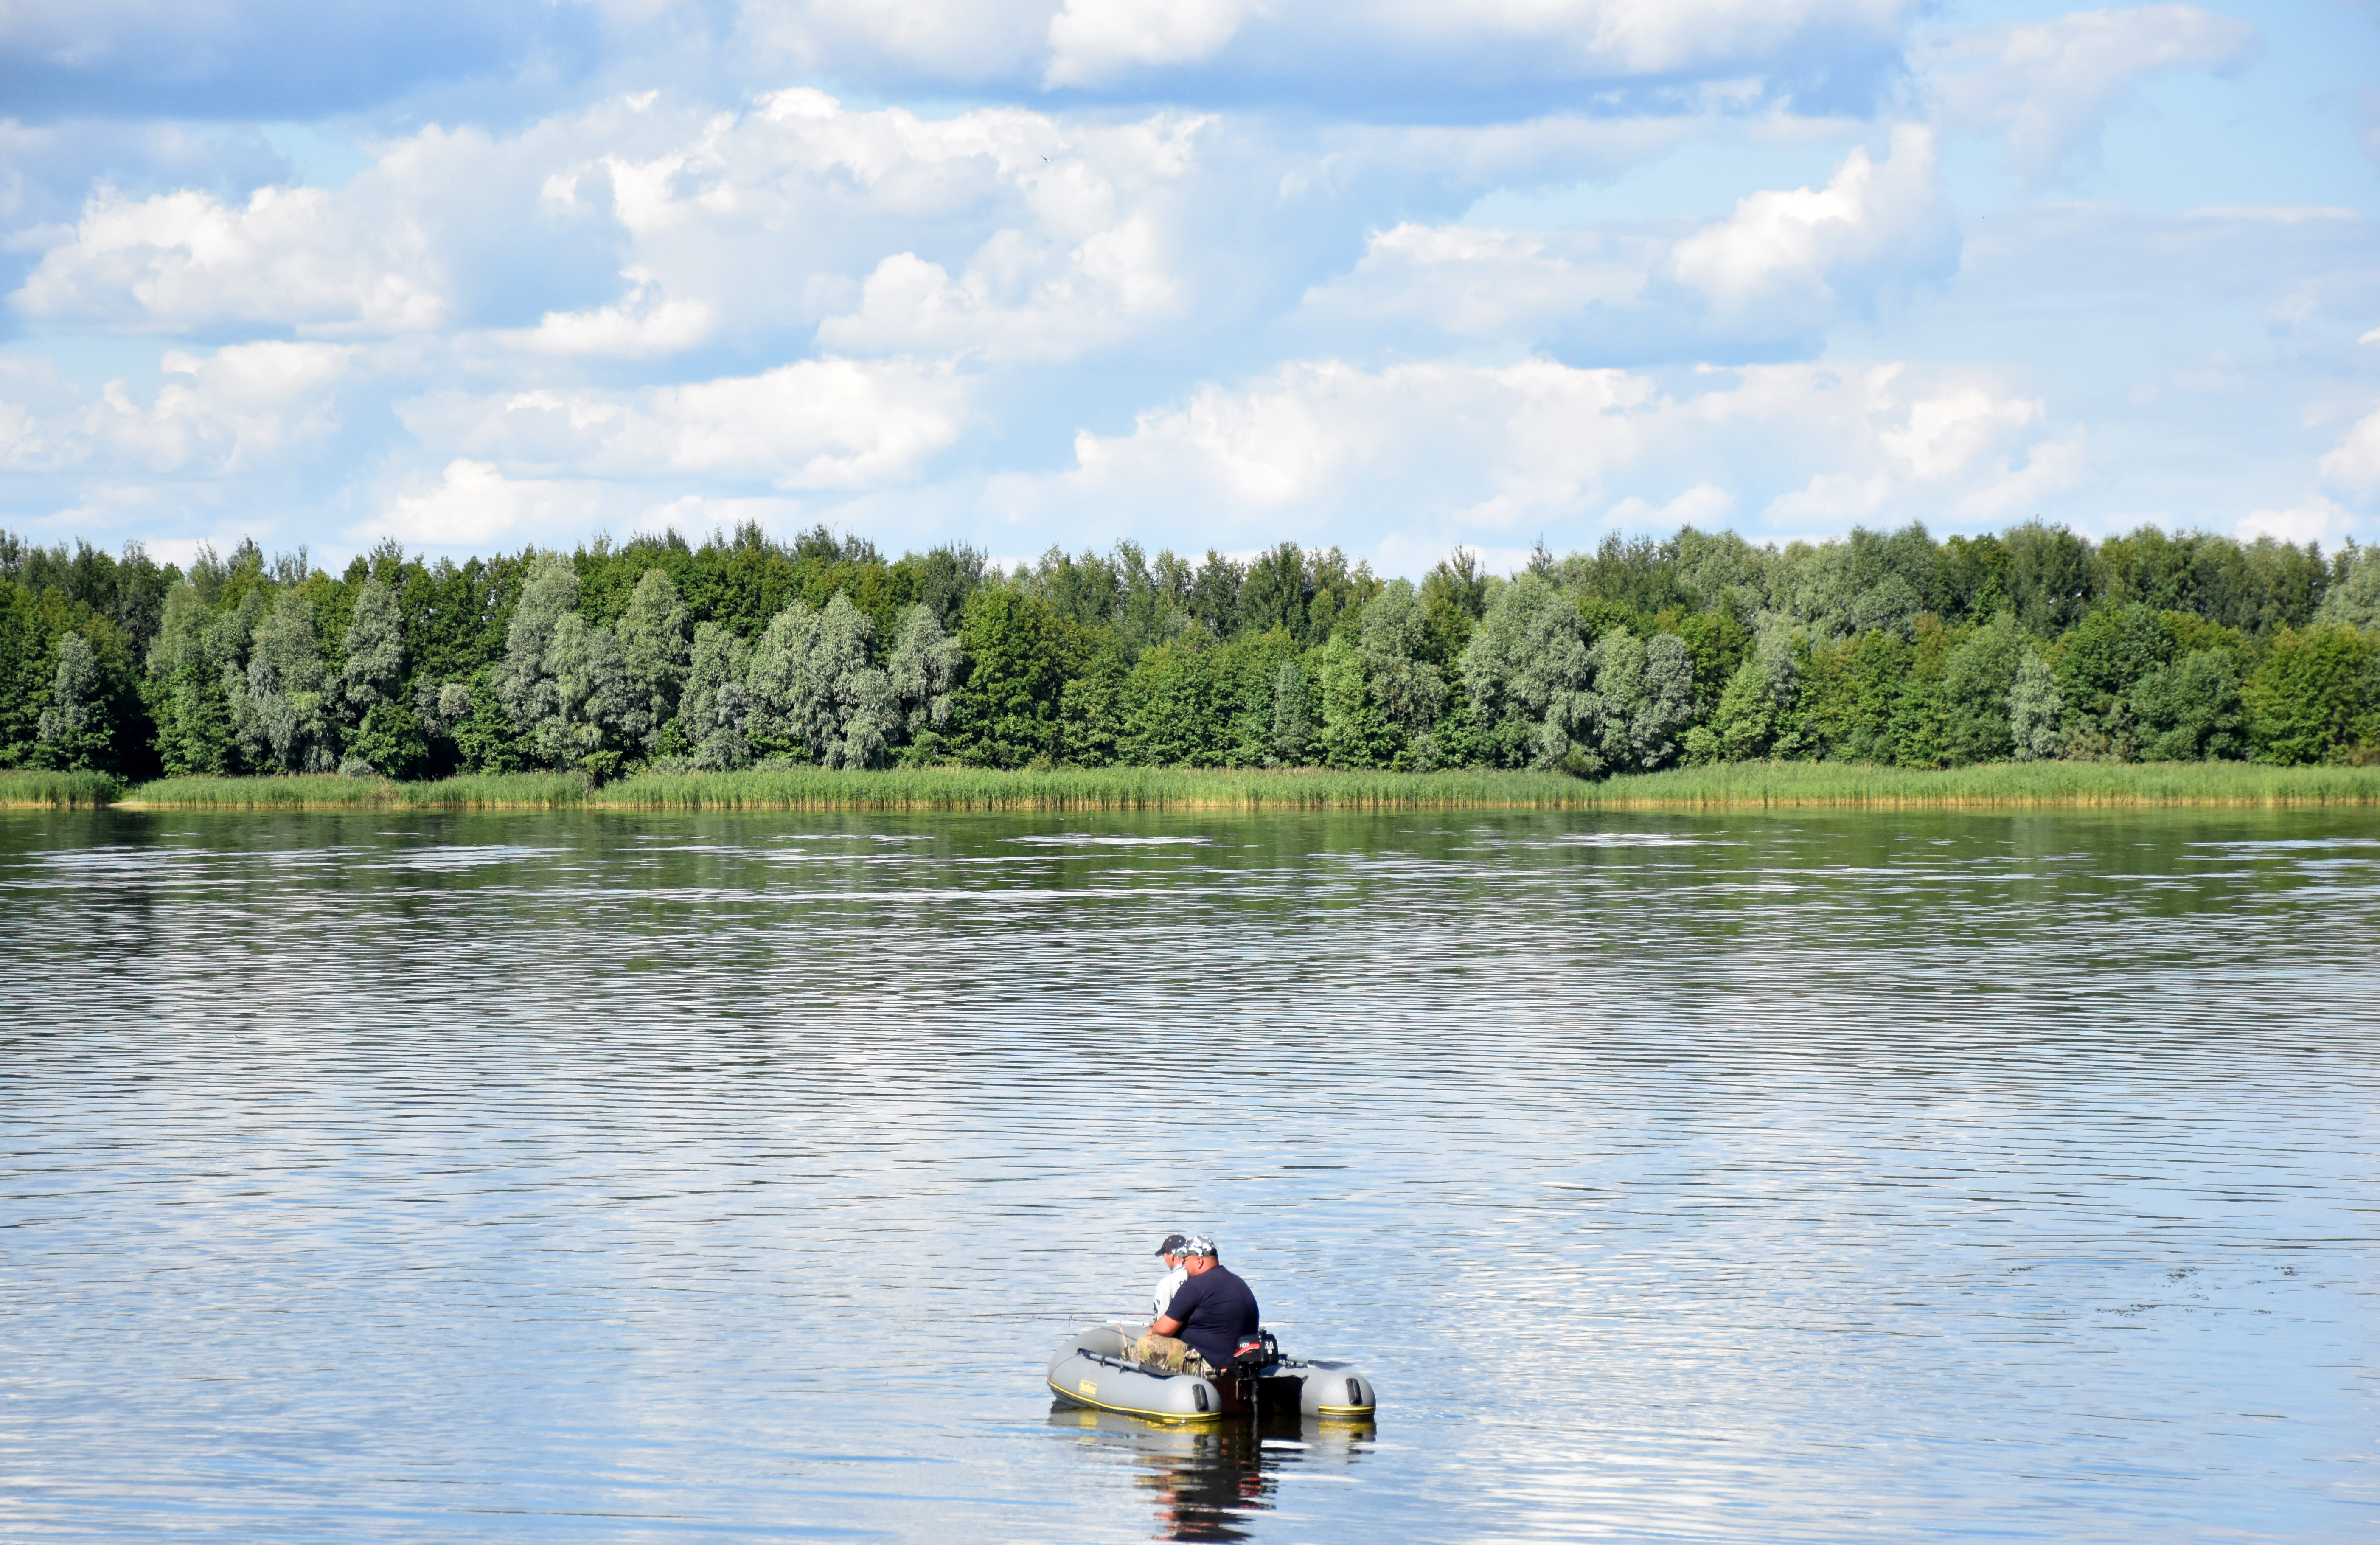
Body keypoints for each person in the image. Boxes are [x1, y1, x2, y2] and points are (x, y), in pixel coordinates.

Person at [1132, 1236, 1259, 1375]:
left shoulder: (1195, 1286)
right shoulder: (1239, 1283)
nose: (1184, 1265)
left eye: (1186, 1260)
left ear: (1199, 1261)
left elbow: (1162, 1330)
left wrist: (1153, 1330)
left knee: (1146, 1344)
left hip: (1211, 1367)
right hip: (1239, 1365)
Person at [1151, 1233, 1190, 1318]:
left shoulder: (1167, 1284)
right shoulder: (1201, 1276)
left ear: (1171, 1257)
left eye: (1164, 1256)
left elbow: (1162, 1320)